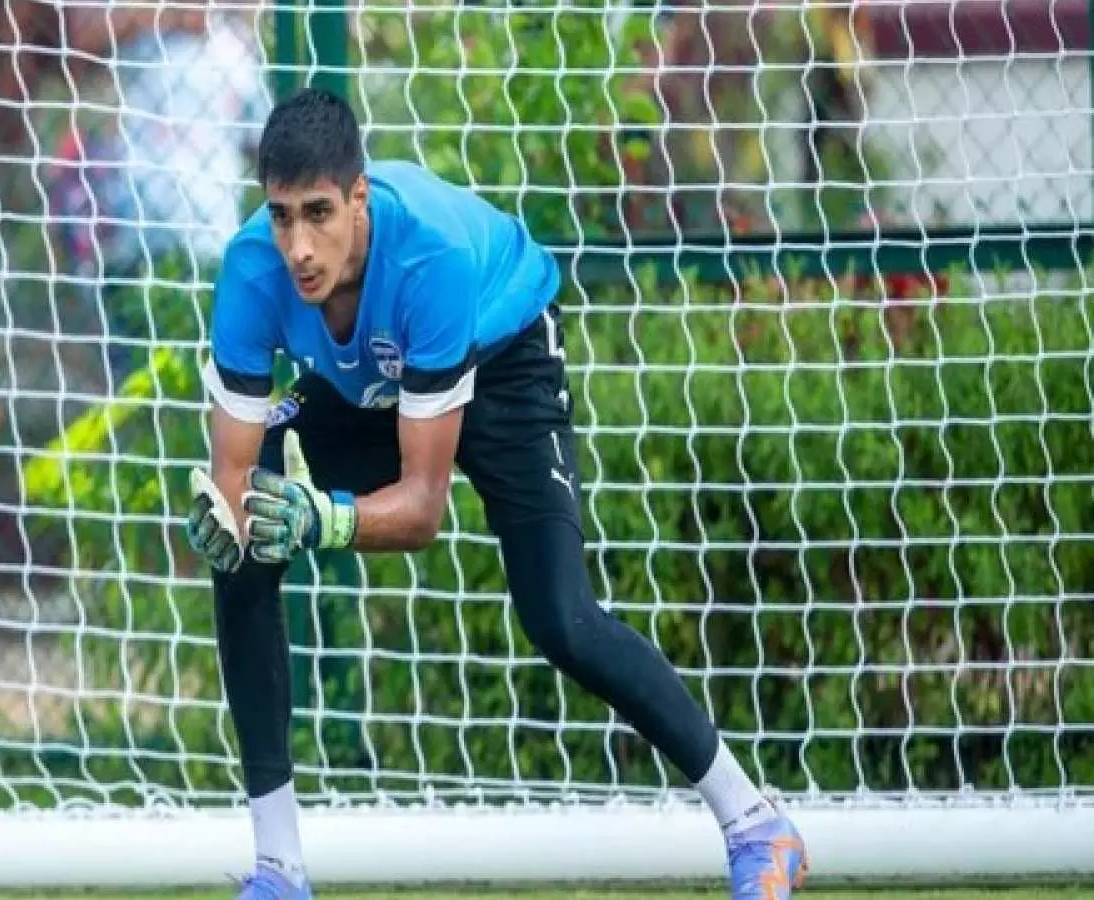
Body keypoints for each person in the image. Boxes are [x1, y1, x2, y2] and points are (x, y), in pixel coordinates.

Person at [183, 87, 809, 900]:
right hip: (374, 385)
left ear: (359, 197)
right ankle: (279, 872)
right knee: (243, 547)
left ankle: (756, 822)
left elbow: (421, 510)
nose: (299, 246)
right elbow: (232, 475)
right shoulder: (250, 268)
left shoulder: (429, 259)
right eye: (281, 216)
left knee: (561, 618)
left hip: (504, 357)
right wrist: (227, 520)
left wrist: (319, 519)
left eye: (319, 213)